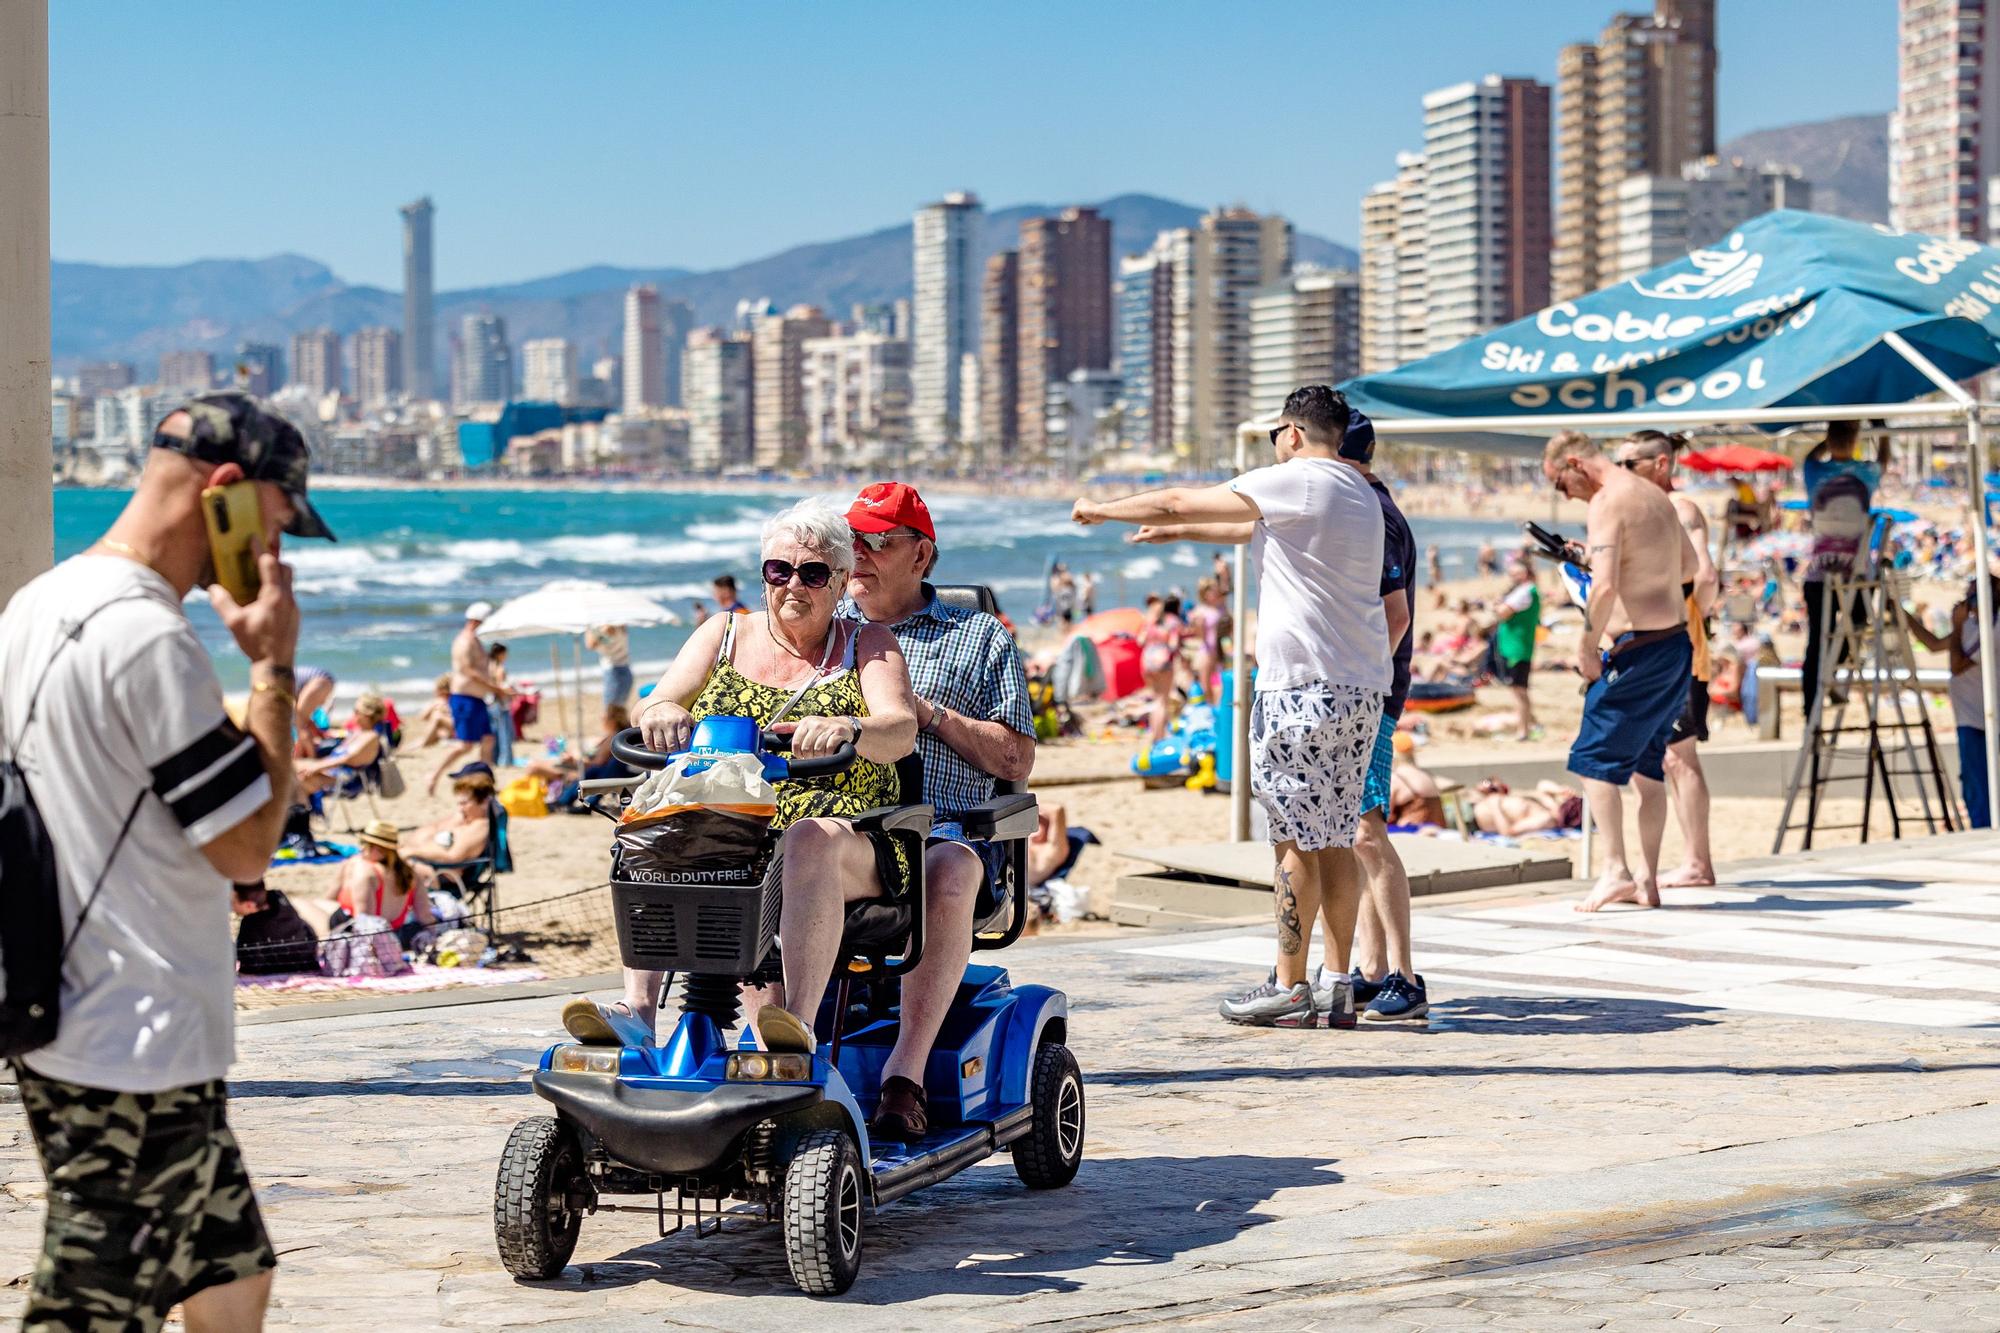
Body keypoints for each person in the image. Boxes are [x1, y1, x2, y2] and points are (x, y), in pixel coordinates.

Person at [0, 390, 331, 1330]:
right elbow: (244, 845)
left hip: (68, 1000)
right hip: (131, 1032)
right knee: (89, 1308)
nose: (278, 549)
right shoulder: (146, 633)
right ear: (226, 492)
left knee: (231, 1269)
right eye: (277, 519)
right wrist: (271, 669)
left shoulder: (42, 600)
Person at [563, 501, 919, 1083]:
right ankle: (637, 1010)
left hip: (844, 831)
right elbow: (659, 697)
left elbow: (899, 728)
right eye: (779, 571)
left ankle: (794, 1024)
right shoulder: (724, 632)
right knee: (648, 826)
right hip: (733, 827)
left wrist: (851, 729)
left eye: (812, 573)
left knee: (805, 841)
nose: (792, 586)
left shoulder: (867, 642)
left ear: (840, 582)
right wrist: (662, 713)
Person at [1084, 384, 1389, 1028]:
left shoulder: (1300, 478)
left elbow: (1178, 495)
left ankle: (1288, 985)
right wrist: (1174, 534)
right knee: (1333, 837)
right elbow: (1241, 526)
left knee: (1291, 841)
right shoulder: (1360, 494)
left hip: (1301, 688)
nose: (1276, 445)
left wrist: (1097, 508)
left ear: (1295, 433)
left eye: (1279, 433)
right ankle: (1337, 982)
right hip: (1357, 687)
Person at [840, 480, 1038, 1138]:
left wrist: (930, 716)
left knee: (946, 867)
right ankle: (780, 1058)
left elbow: (1015, 760)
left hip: (949, 833)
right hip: (849, 833)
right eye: (851, 540)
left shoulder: (979, 636)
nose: (857, 554)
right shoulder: (827, 631)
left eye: (876, 540)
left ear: (921, 556)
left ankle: (905, 1077)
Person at [1543, 430, 1700, 913]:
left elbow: (1605, 588)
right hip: (1675, 644)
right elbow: (1689, 566)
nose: (1565, 494)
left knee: (1591, 759)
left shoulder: (1608, 501)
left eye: (1559, 483)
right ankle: (1647, 880)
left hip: (1638, 651)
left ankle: (1615, 870)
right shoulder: (1656, 495)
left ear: (1575, 463)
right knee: (1649, 767)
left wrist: (1586, 646)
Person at [1337, 411, 1427, 1023]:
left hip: (1375, 691)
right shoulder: (1370, 507)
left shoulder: (1377, 516)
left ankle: (1405, 975)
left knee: (1367, 831)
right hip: (1371, 687)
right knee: (1355, 832)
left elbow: (1395, 617)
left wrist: (1367, 676)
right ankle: (1371, 971)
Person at [1616, 430, 1721, 888]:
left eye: (1629, 464)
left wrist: (1689, 618)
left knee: (1679, 753)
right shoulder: (1643, 509)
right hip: (1658, 638)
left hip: (1681, 638)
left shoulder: (1680, 509)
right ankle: (1690, 860)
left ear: (1660, 464)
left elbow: (1707, 576)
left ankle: (1698, 861)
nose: (1621, 474)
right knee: (1664, 755)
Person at [1800, 420, 1890, 710]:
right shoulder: (1864, 473)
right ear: (1854, 441)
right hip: (1857, 573)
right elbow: (1883, 459)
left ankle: (1810, 703)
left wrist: (1832, 438)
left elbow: (1809, 456)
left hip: (1818, 572)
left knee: (1817, 640)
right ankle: (1834, 676)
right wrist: (1880, 429)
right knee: (1855, 624)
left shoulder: (1815, 472)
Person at [1905, 572, 2000, 828]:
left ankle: (1984, 835)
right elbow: (1934, 645)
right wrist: (1905, 618)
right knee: (1974, 783)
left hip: (1984, 719)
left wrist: (1956, 626)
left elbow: (1956, 664)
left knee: (1982, 786)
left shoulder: (1992, 628)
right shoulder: (1973, 628)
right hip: (1971, 718)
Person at [427, 601, 503, 794]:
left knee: (488, 739)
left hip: (476, 698)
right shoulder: (464, 641)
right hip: (464, 698)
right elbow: (468, 671)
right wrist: (494, 688)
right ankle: (434, 774)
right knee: (464, 745)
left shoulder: (474, 639)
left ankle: (487, 780)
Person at [327, 820, 439, 951]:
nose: (361, 849)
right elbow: (425, 917)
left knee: (308, 905)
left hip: (352, 935)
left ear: (380, 850)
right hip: (396, 936)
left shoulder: (366, 872)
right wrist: (435, 938)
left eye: (365, 844)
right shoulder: (411, 873)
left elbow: (363, 922)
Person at [404, 761, 497, 871]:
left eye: (464, 803)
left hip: (439, 872)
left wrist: (413, 851)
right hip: (428, 864)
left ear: (483, 802)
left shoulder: (479, 826)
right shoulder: (467, 819)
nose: (460, 808)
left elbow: (453, 856)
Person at [293, 690, 388, 795]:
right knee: (291, 767)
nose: (354, 714)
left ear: (366, 715)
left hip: (347, 779)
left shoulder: (371, 737)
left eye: (356, 711)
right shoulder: (358, 733)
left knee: (299, 778)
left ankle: (304, 809)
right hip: (334, 771)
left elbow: (348, 758)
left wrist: (317, 767)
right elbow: (335, 738)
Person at [1493, 559, 1542, 741]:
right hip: (1518, 646)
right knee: (1519, 690)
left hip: (1517, 647)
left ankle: (1523, 730)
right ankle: (1526, 727)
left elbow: (1503, 612)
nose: (1512, 577)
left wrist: (1497, 605)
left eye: (1516, 573)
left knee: (1518, 690)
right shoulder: (1528, 590)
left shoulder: (1525, 591)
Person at [1138, 593, 1187, 740]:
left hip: (1147, 662)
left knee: (1155, 700)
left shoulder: (1149, 624)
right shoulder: (1170, 624)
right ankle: (1159, 737)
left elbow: (1140, 641)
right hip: (1163, 663)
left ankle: (1154, 733)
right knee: (1162, 701)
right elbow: (1173, 644)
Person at [586, 623, 633, 711]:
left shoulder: (606, 627)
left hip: (614, 669)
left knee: (611, 710)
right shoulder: (620, 622)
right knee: (618, 710)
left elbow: (590, 644)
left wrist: (589, 628)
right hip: (623, 667)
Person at [292, 664, 337, 752]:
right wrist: (318, 731)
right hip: (322, 679)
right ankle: (309, 754)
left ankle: (311, 758)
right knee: (301, 721)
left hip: (319, 681)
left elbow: (299, 717)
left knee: (300, 725)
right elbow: (303, 717)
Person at [486, 642, 515, 768]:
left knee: (495, 733)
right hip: (500, 703)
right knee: (505, 733)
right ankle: (505, 760)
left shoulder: (489, 666)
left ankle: (496, 758)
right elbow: (501, 687)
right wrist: (513, 693)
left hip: (490, 703)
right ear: (500, 654)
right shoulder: (499, 668)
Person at [413, 673, 455, 747]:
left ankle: (423, 743)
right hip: (452, 731)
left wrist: (435, 705)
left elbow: (422, 716)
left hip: (456, 730)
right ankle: (422, 742)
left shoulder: (442, 701)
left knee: (437, 716)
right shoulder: (454, 699)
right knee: (437, 720)